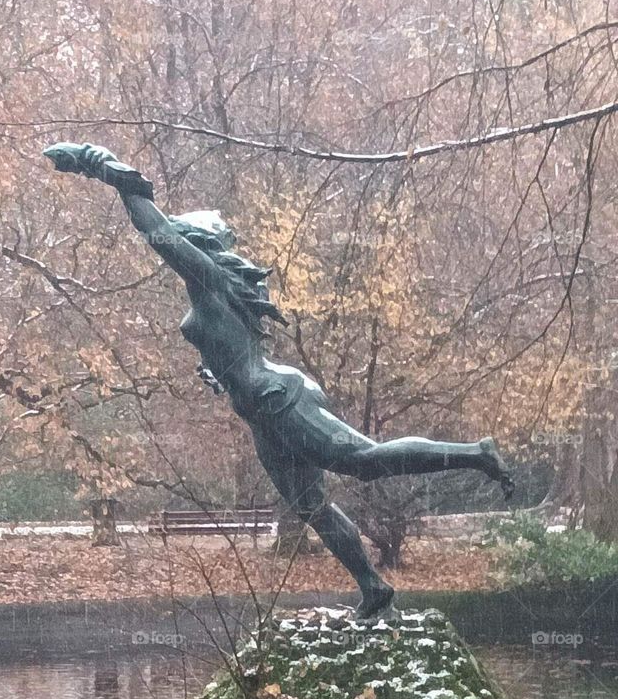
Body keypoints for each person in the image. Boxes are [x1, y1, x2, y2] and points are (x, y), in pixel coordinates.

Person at [44, 142, 514, 617]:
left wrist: (101, 165)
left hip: (276, 399)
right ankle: (374, 590)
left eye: (183, 242)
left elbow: (157, 232)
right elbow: (229, 342)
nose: (176, 249)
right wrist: (215, 369)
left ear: (195, 245)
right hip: (261, 410)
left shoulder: (209, 280)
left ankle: (476, 454)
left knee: (364, 461)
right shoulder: (212, 293)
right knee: (310, 506)